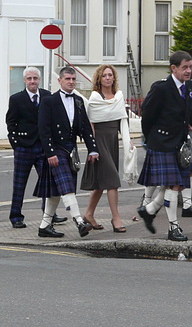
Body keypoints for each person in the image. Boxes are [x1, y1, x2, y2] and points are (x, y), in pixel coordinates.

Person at [136, 51, 192, 241]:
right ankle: (173, 228)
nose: (188, 71)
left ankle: (149, 210)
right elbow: (147, 115)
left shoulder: (188, 86)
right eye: (184, 67)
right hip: (162, 142)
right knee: (173, 185)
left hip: (178, 142)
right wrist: (151, 138)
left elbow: (189, 109)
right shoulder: (161, 88)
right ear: (174, 68)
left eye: (190, 67)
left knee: (175, 185)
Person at [35, 67, 98, 238]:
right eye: (67, 79)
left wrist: (92, 149)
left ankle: (44, 226)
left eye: (73, 79)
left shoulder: (78, 100)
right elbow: (44, 129)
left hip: (71, 151)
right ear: (60, 81)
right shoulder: (49, 101)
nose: (71, 82)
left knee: (56, 190)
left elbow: (85, 127)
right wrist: (50, 153)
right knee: (67, 188)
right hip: (56, 149)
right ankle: (79, 221)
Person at [6, 67, 67, 228]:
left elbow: (54, 120)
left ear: (39, 80)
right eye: (29, 78)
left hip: (43, 147)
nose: (32, 81)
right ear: (24, 80)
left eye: (35, 78)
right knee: (19, 184)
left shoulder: (48, 96)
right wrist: (16, 144)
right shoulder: (16, 99)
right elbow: (10, 122)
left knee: (48, 183)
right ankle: (16, 217)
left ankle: (49, 215)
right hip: (24, 147)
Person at [80, 65, 135, 233]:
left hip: (112, 141)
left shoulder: (118, 97)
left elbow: (122, 121)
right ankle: (116, 218)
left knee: (101, 183)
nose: (108, 78)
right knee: (112, 181)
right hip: (99, 141)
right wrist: (92, 148)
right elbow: (92, 124)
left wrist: (128, 141)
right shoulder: (95, 98)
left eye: (110, 75)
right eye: (104, 75)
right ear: (99, 79)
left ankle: (89, 214)